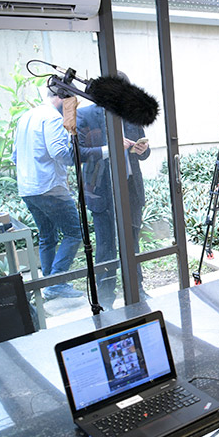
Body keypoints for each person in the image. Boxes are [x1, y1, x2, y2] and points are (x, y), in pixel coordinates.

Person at [76, 73, 151, 309]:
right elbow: (76, 154)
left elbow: (146, 151)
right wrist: (111, 149)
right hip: (102, 188)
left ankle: (137, 290)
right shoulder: (86, 114)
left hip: (130, 187)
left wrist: (142, 150)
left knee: (133, 243)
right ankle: (106, 298)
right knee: (106, 246)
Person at [13, 89, 83, 300]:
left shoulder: (27, 116)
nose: (72, 108)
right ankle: (57, 283)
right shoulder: (53, 117)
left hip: (28, 188)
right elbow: (59, 152)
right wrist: (81, 157)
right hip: (50, 188)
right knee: (74, 233)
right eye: (71, 103)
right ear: (62, 98)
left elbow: (14, 156)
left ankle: (49, 284)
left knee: (47, 236)